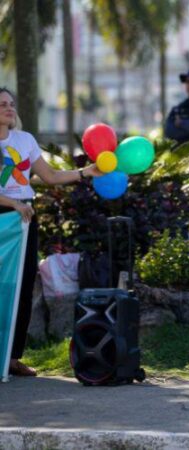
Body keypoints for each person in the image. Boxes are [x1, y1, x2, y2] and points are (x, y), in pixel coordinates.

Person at [0, 87, 102, 377]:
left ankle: (12, 357)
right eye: (2, 105)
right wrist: (13, 203)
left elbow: (51, 176)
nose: (9, 108)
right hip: (7, 214)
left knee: (22, 283)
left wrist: (85, 173)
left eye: (11, 104)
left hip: (24, 216)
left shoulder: (25, 140)